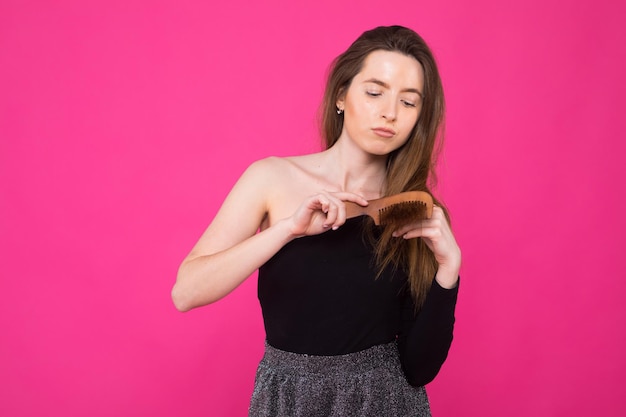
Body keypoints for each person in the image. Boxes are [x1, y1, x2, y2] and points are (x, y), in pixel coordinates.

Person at [172, 25, 461, 417]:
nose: (390, 112)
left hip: (385, 404)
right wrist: (287, 229)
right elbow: (186, 292)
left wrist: (448, 271)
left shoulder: (412, 210)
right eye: (374, 92)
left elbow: (419, 368)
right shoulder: (271, 178)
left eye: (409, 103)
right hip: (289, 401)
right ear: (342, 95)